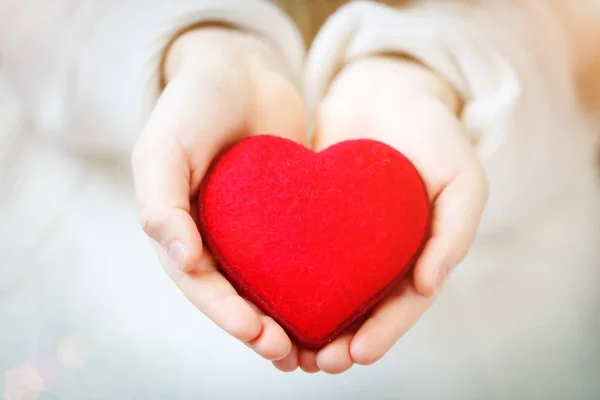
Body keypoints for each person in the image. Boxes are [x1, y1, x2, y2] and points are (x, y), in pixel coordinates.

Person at [1, 0, 599, 398]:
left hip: (497, 328)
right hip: (93, 306)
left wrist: (439, 79)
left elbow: (582, 49)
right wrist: (188, 48)